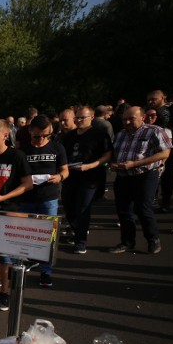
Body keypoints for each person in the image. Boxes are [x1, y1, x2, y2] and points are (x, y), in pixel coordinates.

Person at [0, 120, 32, 312]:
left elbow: (27, 184)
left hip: (9, 208)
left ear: (5, 136)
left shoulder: (16, 156)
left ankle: (5, 292)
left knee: (5, 255)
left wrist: (4, 197)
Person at [109, 106, 171, 255]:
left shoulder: (154, 131)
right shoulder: (120, 135)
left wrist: (135, 164)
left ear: (142, 117)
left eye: (131, 118)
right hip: (123, 176)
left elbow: (165, 153)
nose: (127, 122)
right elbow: (114, 154)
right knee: (124, 210)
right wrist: (113, 164)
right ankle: (127, 241)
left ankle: (152, 239)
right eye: (124, 119)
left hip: (145, 174)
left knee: (143, 208)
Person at [20, 115, 69, 287]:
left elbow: (65, 170)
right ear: (30, 131)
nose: (41, 139)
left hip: (49, 198)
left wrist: (60, 177)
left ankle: (46, 271)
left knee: (49, 236)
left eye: (46, 136)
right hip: (26, 198)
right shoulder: (23, 150)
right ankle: (24, 265)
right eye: (37, 136)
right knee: (25, 234)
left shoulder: (57, 148)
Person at [60, 106, 113, 254]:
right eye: (77, 117)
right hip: (71, 175)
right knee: (67, 204)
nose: (78, 120)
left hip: (90, 177)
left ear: (92, 117)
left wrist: (91, 165)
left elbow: (108, 155)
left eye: (82, 118)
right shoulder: (69, 136)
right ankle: (79, 229)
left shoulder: (99, 134)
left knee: (83, 207)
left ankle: (80, 241)